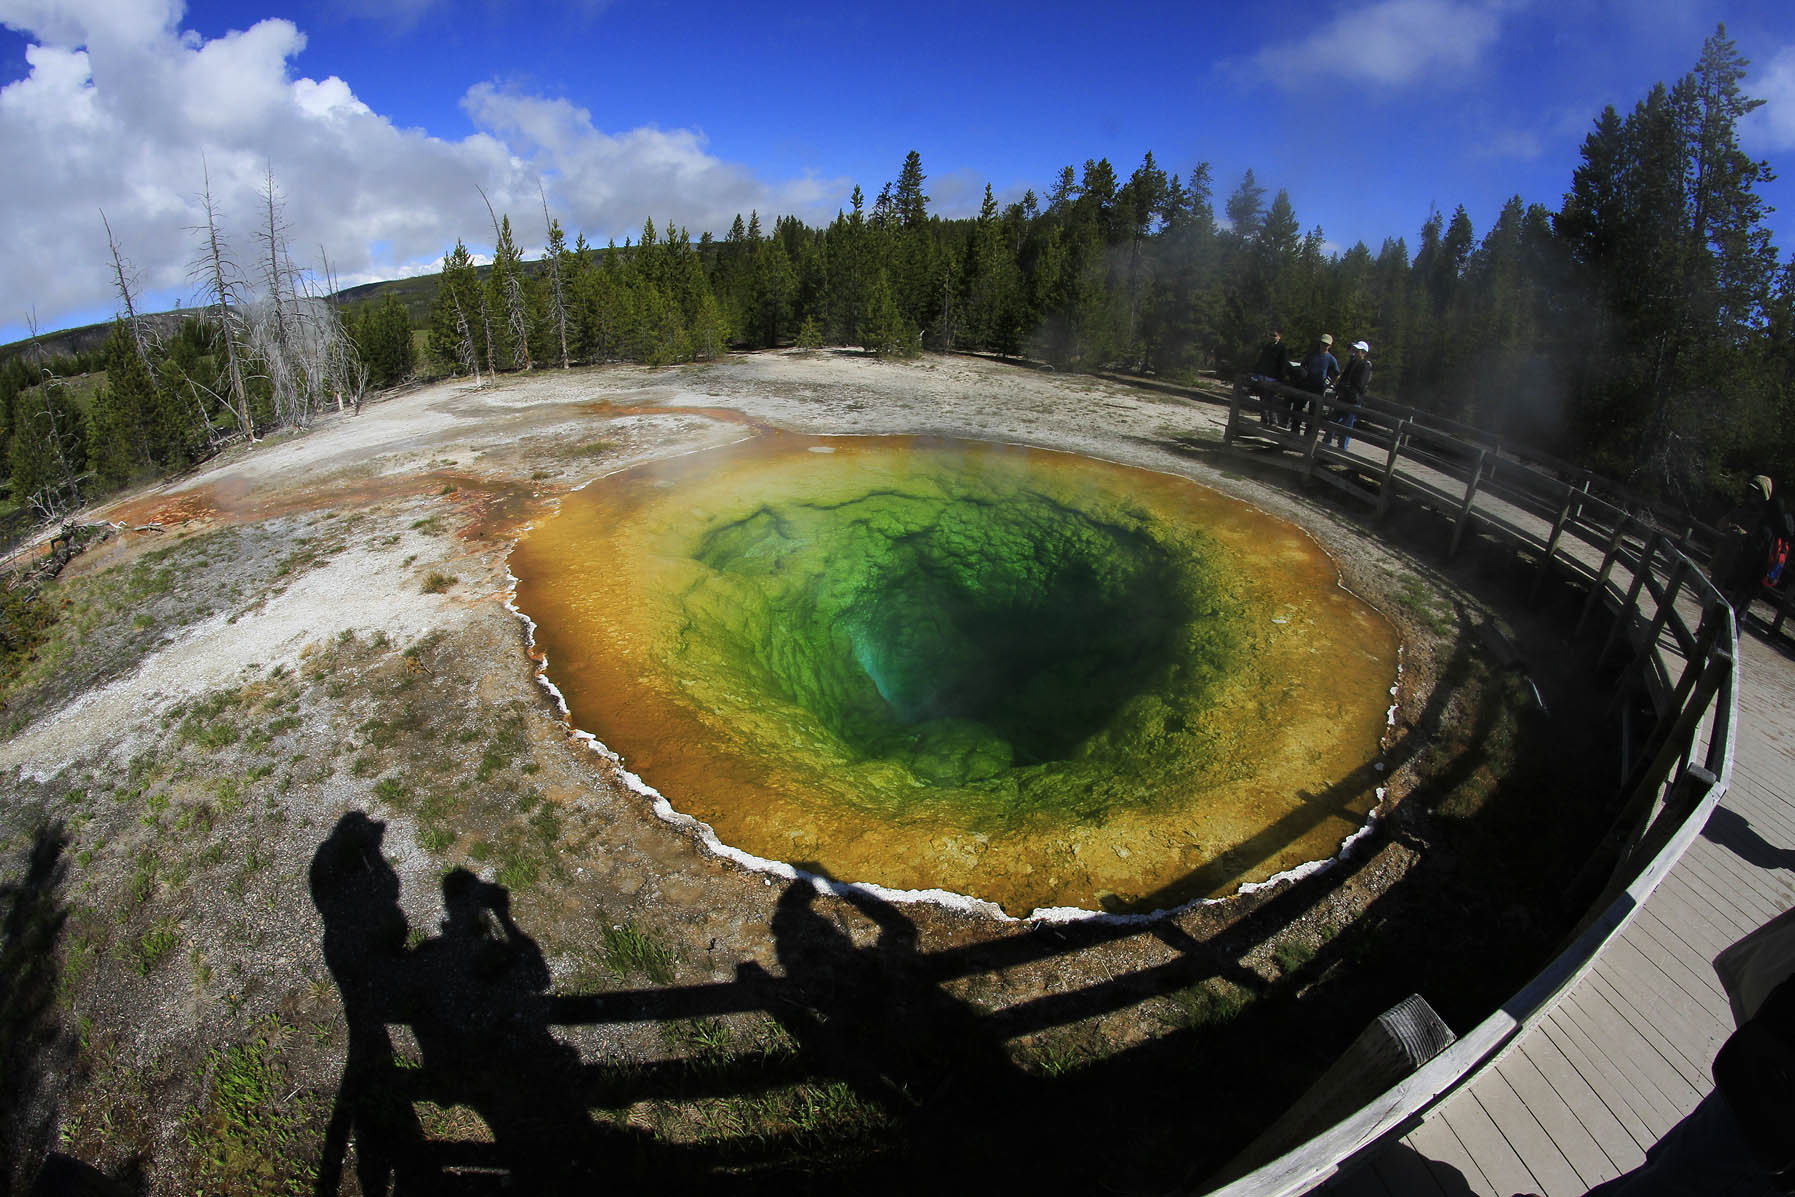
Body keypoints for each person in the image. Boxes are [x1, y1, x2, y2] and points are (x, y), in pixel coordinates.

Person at [1716, 476, 1791, 616]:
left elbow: (1755, 551)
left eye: (1757, 491)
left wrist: (1744, 536)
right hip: (1730, 565)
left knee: (1733, 614)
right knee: (1724, 607)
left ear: (1765, 494)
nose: (1752, 495)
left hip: (1745, 577)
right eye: (1751, 490)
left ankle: (1716, 636)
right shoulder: (1742, 509)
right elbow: (1720, 525)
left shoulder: (1766, 525)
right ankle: (1707, 632)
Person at [1323, 340, 1372, 449]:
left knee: (1347, 426)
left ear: (1363, 352)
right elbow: (1344, 377)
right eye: (1355, 350)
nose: (1354, 352)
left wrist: (1347, 387)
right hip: (1344, 397)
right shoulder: (1352, 362)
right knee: (1333, 420)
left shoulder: (1365, 366)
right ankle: (1326, 443)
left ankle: (1342, 448)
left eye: (1357, 350)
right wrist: (1341, 386)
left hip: (1353, 400)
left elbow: (1360, 385)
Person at [1293, 333, 1338, 438]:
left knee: (1313, 413)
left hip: (1318, 388)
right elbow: (1303, 365)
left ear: (1330, 346)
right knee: (1298, 407)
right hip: (1307, 385)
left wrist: (1327, 384)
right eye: (1322, 343)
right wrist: (1303, 376)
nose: (1323, 346)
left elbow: (1336, 374)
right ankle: (1294, 431)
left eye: (1326, 344)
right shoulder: (1312, 354)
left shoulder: (1331, 359)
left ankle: (1308, 436)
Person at [1250, 329, 1287, 427]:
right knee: (1262, 398)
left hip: (1273, 378)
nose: (1272, 337)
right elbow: (1261, 360)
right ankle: (1264, 418)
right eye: (1271, 335)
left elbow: (1283, 364)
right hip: (1263, 376)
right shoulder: (1267, 347)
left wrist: (1281, 379)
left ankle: (1273, 420)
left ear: (1279, 336)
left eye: (1274, 335)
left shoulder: (1282, 348)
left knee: (1271, 399)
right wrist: (1255, 372)